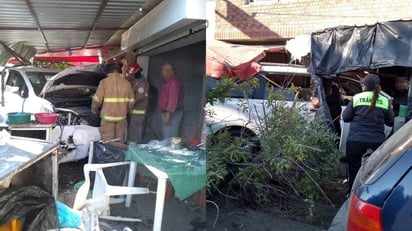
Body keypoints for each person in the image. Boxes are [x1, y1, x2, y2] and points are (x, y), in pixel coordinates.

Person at [342, 74, 394, 192]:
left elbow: (345, 117)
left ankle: (352, 193)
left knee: (353, 168)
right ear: (378, 87)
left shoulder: (357, 98)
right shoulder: (385, 101)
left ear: (364, 86)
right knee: (373, 171)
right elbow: (390, 122)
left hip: (355, 141)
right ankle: (369, 194)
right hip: (376, 142)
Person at [91, 63, 135, 144]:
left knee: (108, 142)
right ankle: (118, 156)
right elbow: (131, 102)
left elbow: (97, 99)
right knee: (119, 142)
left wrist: (94, 109)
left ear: (109, 71)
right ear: (119, 71)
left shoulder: (104, 82)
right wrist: (126, 111)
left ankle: (110, 156)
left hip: (107, 119)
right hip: (121, 118)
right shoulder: (127, 83)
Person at [125, 62, 149, 144]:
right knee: (132, 131)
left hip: (138, 114)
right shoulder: (136, 82)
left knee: (134, 134)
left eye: (131, 74)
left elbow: (137, 98)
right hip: (134, 113)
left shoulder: (142, 84)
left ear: (136, 73)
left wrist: (126, 106)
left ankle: (134, 150)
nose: (130, 75)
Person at [158, 63, 184, 139]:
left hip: (172, 113)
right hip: (169, 112)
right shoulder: (169, 81)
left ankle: (168, 150)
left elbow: (173, 99)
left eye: (164, 72)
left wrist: (168, 114)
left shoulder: (173, 82)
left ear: (171, 72)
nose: (162, 74)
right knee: (167, 134)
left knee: (169, 136)